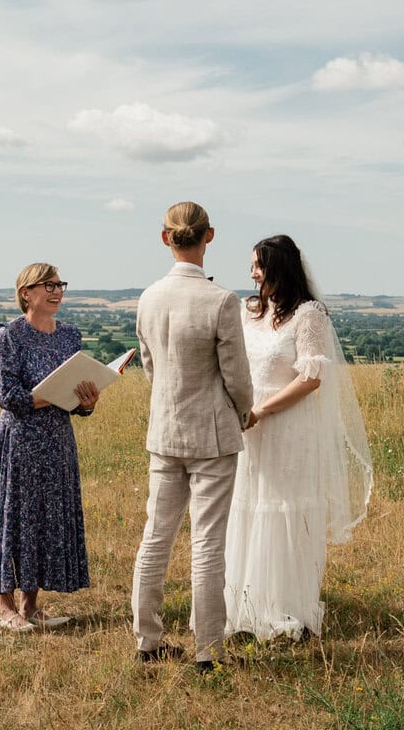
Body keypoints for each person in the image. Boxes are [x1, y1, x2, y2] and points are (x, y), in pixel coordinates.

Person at [224, 234, 373, 642]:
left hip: (287, 426)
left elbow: (311, 378)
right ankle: (246, 606)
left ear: (278, 268)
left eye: (258, 265)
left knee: (284, 510)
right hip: (248, 427)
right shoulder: (248, 310)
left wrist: (262, 410)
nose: (252, 273)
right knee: (250, 507)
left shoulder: (309, 315)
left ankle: (284, 607)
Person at [132, 202, 255, 670]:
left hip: (165, 430)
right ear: (210, 236)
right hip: (212, 434)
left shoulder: (147, 297)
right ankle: (208, 651)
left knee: (156, 535)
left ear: (166, 238)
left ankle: (148, 641)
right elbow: (237, 377)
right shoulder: (221, 300)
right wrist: (243, 412)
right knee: (207, 543)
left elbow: (149, 366)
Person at [0, 263, 100, 630]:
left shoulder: (70, 336)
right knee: (13, 518)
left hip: (58, 441)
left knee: (46, 520)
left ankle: (31, 607)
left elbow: (77, 398)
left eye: (60, 285)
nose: (57, 291)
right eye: (48, 285)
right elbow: (7, 396)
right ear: (26, 292)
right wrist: (54, 397)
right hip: (21, 442)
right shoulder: (8, 337)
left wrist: (86, 402)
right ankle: (5, 608)